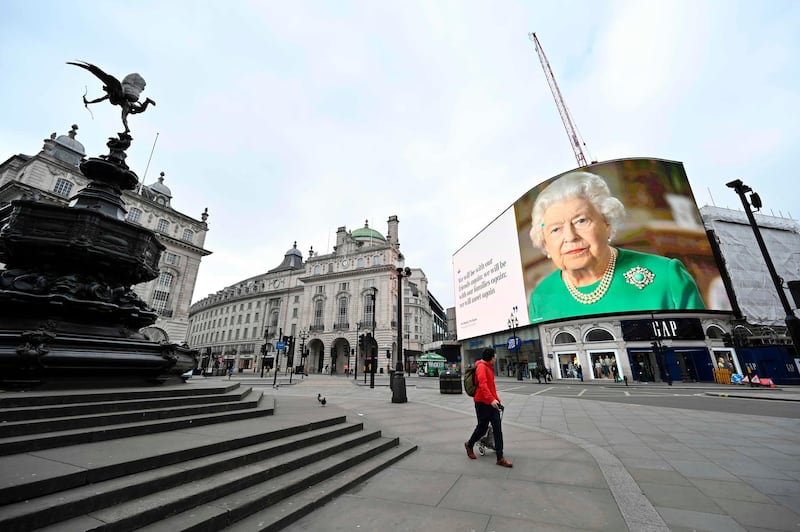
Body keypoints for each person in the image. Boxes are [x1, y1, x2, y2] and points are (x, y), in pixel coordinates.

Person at [528, 171, 706, 323]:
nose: (570, 236)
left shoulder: (667, 275)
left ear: (607, 223)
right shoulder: (541, 297)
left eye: (581, 221)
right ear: (545, 242)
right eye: (556, 229)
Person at [464, 348, 513, 467]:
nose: (496, 358)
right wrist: (491, 399)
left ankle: (500, 458)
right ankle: (469, 444)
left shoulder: (489, 367)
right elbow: (483, 384)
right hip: (482, 403)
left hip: (492, 404)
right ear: (491, 357)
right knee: (482, 427)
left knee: (498, 430)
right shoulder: (481, 367)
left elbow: (491, 387)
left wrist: (497, 400)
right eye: (494, 356)